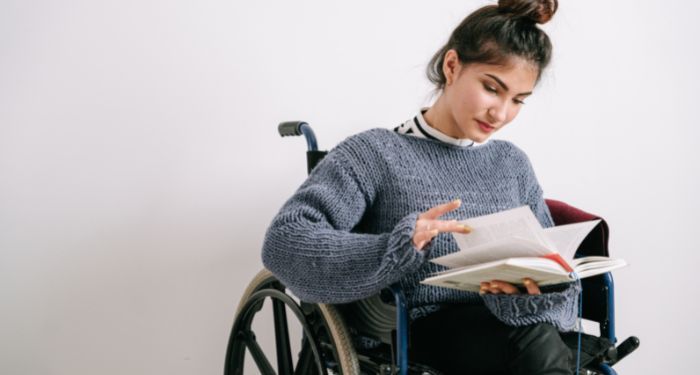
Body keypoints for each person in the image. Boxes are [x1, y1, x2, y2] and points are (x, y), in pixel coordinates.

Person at [262, 0, 577, 373]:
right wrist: (396, 246)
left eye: (518, 101)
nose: (502, 113)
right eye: (493, 89)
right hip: (415, 328)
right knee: (537, 348)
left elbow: (552, 269)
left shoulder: (511, 163)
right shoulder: (375, 153)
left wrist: (533, 290)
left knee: (550, 344)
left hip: (508, 330)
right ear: (452, 65)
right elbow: (284, 241)